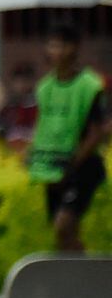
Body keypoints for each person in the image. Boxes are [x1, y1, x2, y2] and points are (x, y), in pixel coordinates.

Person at [27, 24, 108, 253]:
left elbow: (96, 132)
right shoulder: (45, 88)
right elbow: (43, 127)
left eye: (61, 44)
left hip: (82, 167)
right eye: (52, 44)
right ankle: (77, 279)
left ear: (74, 48)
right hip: (53, 167)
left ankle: (86, 278)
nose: (56, 50)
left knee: (64, 225)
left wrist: (72, 167)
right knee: (63, 233)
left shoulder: (90, 85)